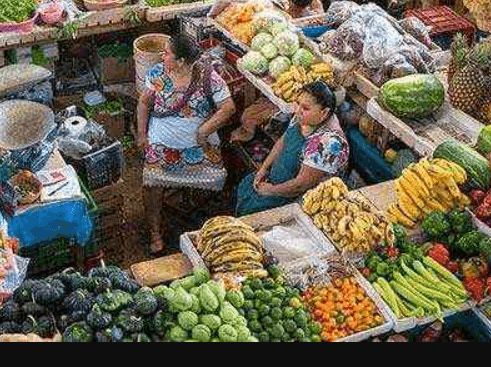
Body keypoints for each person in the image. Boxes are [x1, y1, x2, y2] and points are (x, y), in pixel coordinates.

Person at [137, 34, 236, 254]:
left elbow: (228, 108)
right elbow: (144, 103)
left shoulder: (208, 77)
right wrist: (142, 135)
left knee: (213, 178)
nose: (162, 56)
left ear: (181, 60)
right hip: (162, 140)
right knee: (151, 183)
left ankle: (200, 222)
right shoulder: (158, 74)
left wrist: (205, 130)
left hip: (199, 143)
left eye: (167, 53)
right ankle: (155, 232)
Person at [236, 81, 349, 216]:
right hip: (276, 180)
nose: (297, 110)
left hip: (296, 199)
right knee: (246, 189)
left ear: (324, 113)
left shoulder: (328, 143)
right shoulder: (303, 118)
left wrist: (271, 191)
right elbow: (282, 141)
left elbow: (301, 185)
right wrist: (264, 168)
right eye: (297, 103)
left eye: (305, 108)